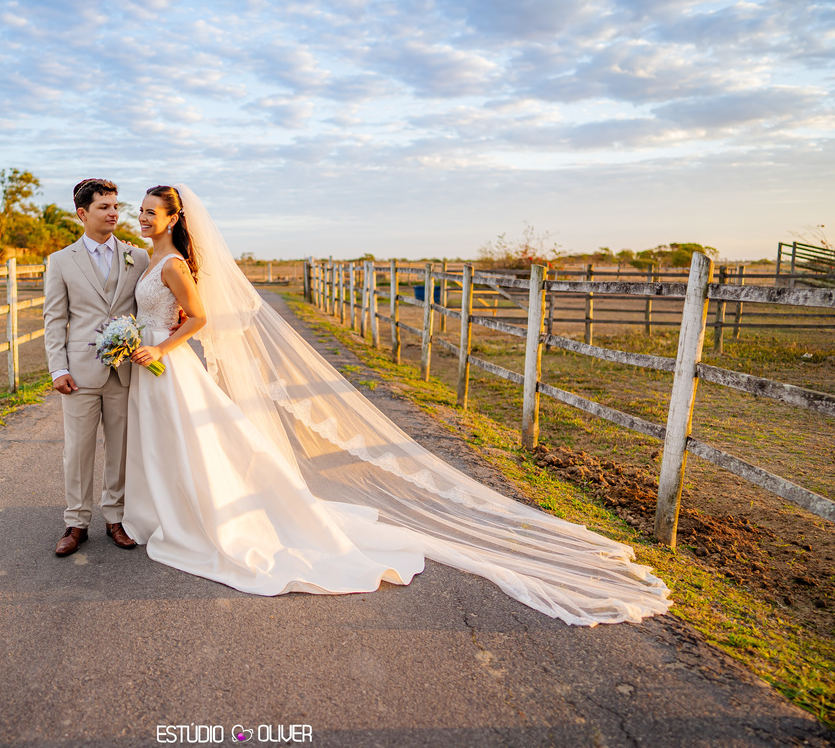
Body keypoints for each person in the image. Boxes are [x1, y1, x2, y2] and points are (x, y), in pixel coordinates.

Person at [120, 184, 672, 626]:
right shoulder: (149, 257)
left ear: (173, 218)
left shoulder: (174, 265)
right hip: (149, 362)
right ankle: (168, 511)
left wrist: (160, 347)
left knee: (194, 441)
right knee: (166, 442)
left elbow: (200, 318)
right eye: (140, 211)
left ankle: (204, 518)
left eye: (151, 212)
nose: (143, 218)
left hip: (166, 362)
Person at [42, 179, 149, 556]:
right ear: (82, 214)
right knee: (77, 450)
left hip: (124, 370)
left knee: (120, 449)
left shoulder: (139, 257)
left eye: (116, 206)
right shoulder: (60, 261)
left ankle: (115, 519)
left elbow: (150, 305)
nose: (113, 213)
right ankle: (76, 523)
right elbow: (54, 319)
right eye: (104, 207)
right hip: (79, 372)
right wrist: (57, 369)